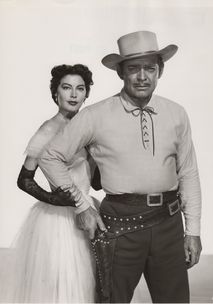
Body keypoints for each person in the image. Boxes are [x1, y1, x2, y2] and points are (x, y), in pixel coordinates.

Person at [39, 31, 202, 303]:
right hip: (119, 225)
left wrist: (193, 230)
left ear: (160, 71)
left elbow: (188, 172)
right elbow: (50, 156)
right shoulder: (96, 115)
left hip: (169, 224)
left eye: (150, 68)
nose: (142, 76)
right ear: (121, 73)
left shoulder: (177, 114)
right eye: (133, 69)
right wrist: (81, 206)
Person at [0, 64, 99, 303]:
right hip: (58, 220)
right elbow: (24, 179)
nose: (74, 94)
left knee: (91, 282)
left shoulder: (89, 127)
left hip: (88, 209)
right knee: (61, 281)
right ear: (56, 93)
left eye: (80, 88)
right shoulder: (48, 129)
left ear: (87, 94)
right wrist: (54, 199)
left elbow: (95, 182)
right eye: (67, 88)